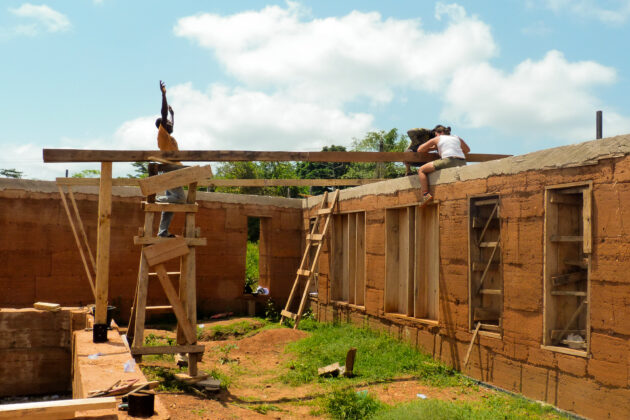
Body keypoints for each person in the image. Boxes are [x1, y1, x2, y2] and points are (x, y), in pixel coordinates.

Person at [155, 80, 186, 237]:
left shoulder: (169, 136)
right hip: (170, 169)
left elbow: (170, 122)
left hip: (172, 170)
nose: (169, 123)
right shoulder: (163, 135)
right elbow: (163, 114)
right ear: (162, 126)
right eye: (167, 122)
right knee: (180, 199)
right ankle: (156, 199)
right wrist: (164, 95)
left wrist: (173, 115)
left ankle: (163, 232)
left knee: (171, 202)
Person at [416, 125, 470, 206]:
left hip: (449, 161)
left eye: (436, 134)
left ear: (440, 133)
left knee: (421, 170)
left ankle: (425, 195)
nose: (435, 136)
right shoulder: (456, 137)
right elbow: (467, 150)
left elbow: (420, 150)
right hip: (462, 162)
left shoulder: (438, 138)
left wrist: (433, 148)